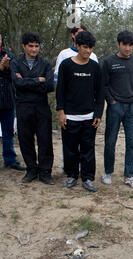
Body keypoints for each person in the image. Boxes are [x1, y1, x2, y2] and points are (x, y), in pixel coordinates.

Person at [56, 31, 104, 192]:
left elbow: (100, 93)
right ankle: (71, 176)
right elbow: (60, 91)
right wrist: (61, 112)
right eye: (85, 47)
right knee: (70, 148)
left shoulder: (95, 67)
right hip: (70, 116)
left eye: (91, 47)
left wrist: (98, 114)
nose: (88, 51)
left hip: (89, 117)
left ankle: (88, 178)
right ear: (76, 46)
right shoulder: (66, 65)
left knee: (88, 149)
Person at [101, 30, 133, 189]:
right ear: (118, 44)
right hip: (115, 106)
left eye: (130, 45)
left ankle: (129, 175)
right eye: (124, 45)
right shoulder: (109, 62)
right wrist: (111, 101)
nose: (127, 48)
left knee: (132, 142)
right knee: (110, 140)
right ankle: (107, 172)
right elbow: (103, 85)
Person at [10, 32, 54, 184]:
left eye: (36, 46)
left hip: (41, 106)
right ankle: (31, 170)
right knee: (25, 139)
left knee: (45, 140)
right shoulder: (15, 63)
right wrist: (37, 80)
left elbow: (49, 86)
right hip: (23, 106)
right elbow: (17, 84)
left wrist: (27, 82)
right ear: (24, 46)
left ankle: (45, 172)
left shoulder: (45, 64)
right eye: (31, 46)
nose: (34, 49)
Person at [0, 31, 25, 171]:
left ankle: (10, 159)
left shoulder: (8, 55)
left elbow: (17, 77)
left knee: (8, 132)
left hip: (7, 99)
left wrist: (8, 68)